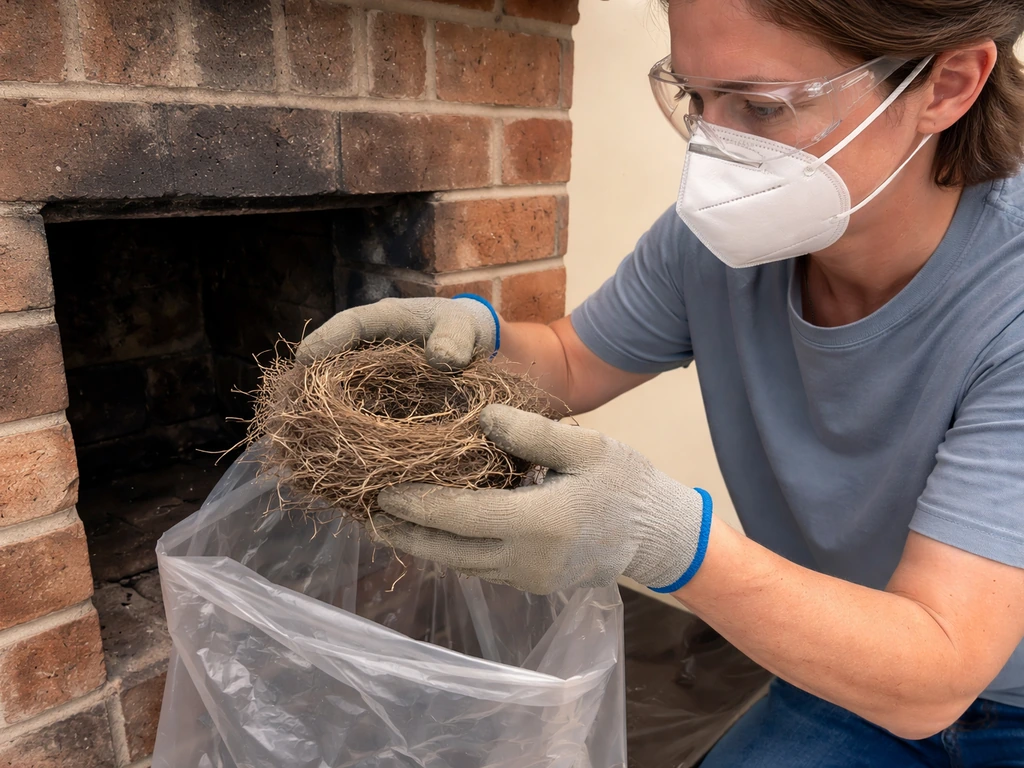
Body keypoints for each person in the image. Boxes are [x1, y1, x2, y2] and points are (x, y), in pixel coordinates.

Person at [297, 0, 1024, 764]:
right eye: (695, 99)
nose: (713, 157)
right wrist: (477, 338)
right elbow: (574, 362)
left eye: (761, 105)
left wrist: (668, 538)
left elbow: (935, 673)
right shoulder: (717, 242)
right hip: (841, 679)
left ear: (946, 84)